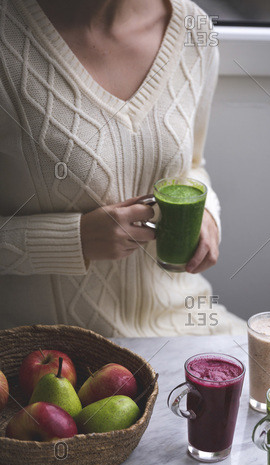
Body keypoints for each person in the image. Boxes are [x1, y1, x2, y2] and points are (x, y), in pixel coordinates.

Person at [0, 0, 245, 337]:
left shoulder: (194, 29)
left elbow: (192, 167)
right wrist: (75, 241)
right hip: (48, 356)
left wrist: (208, 215)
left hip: (181, 326)